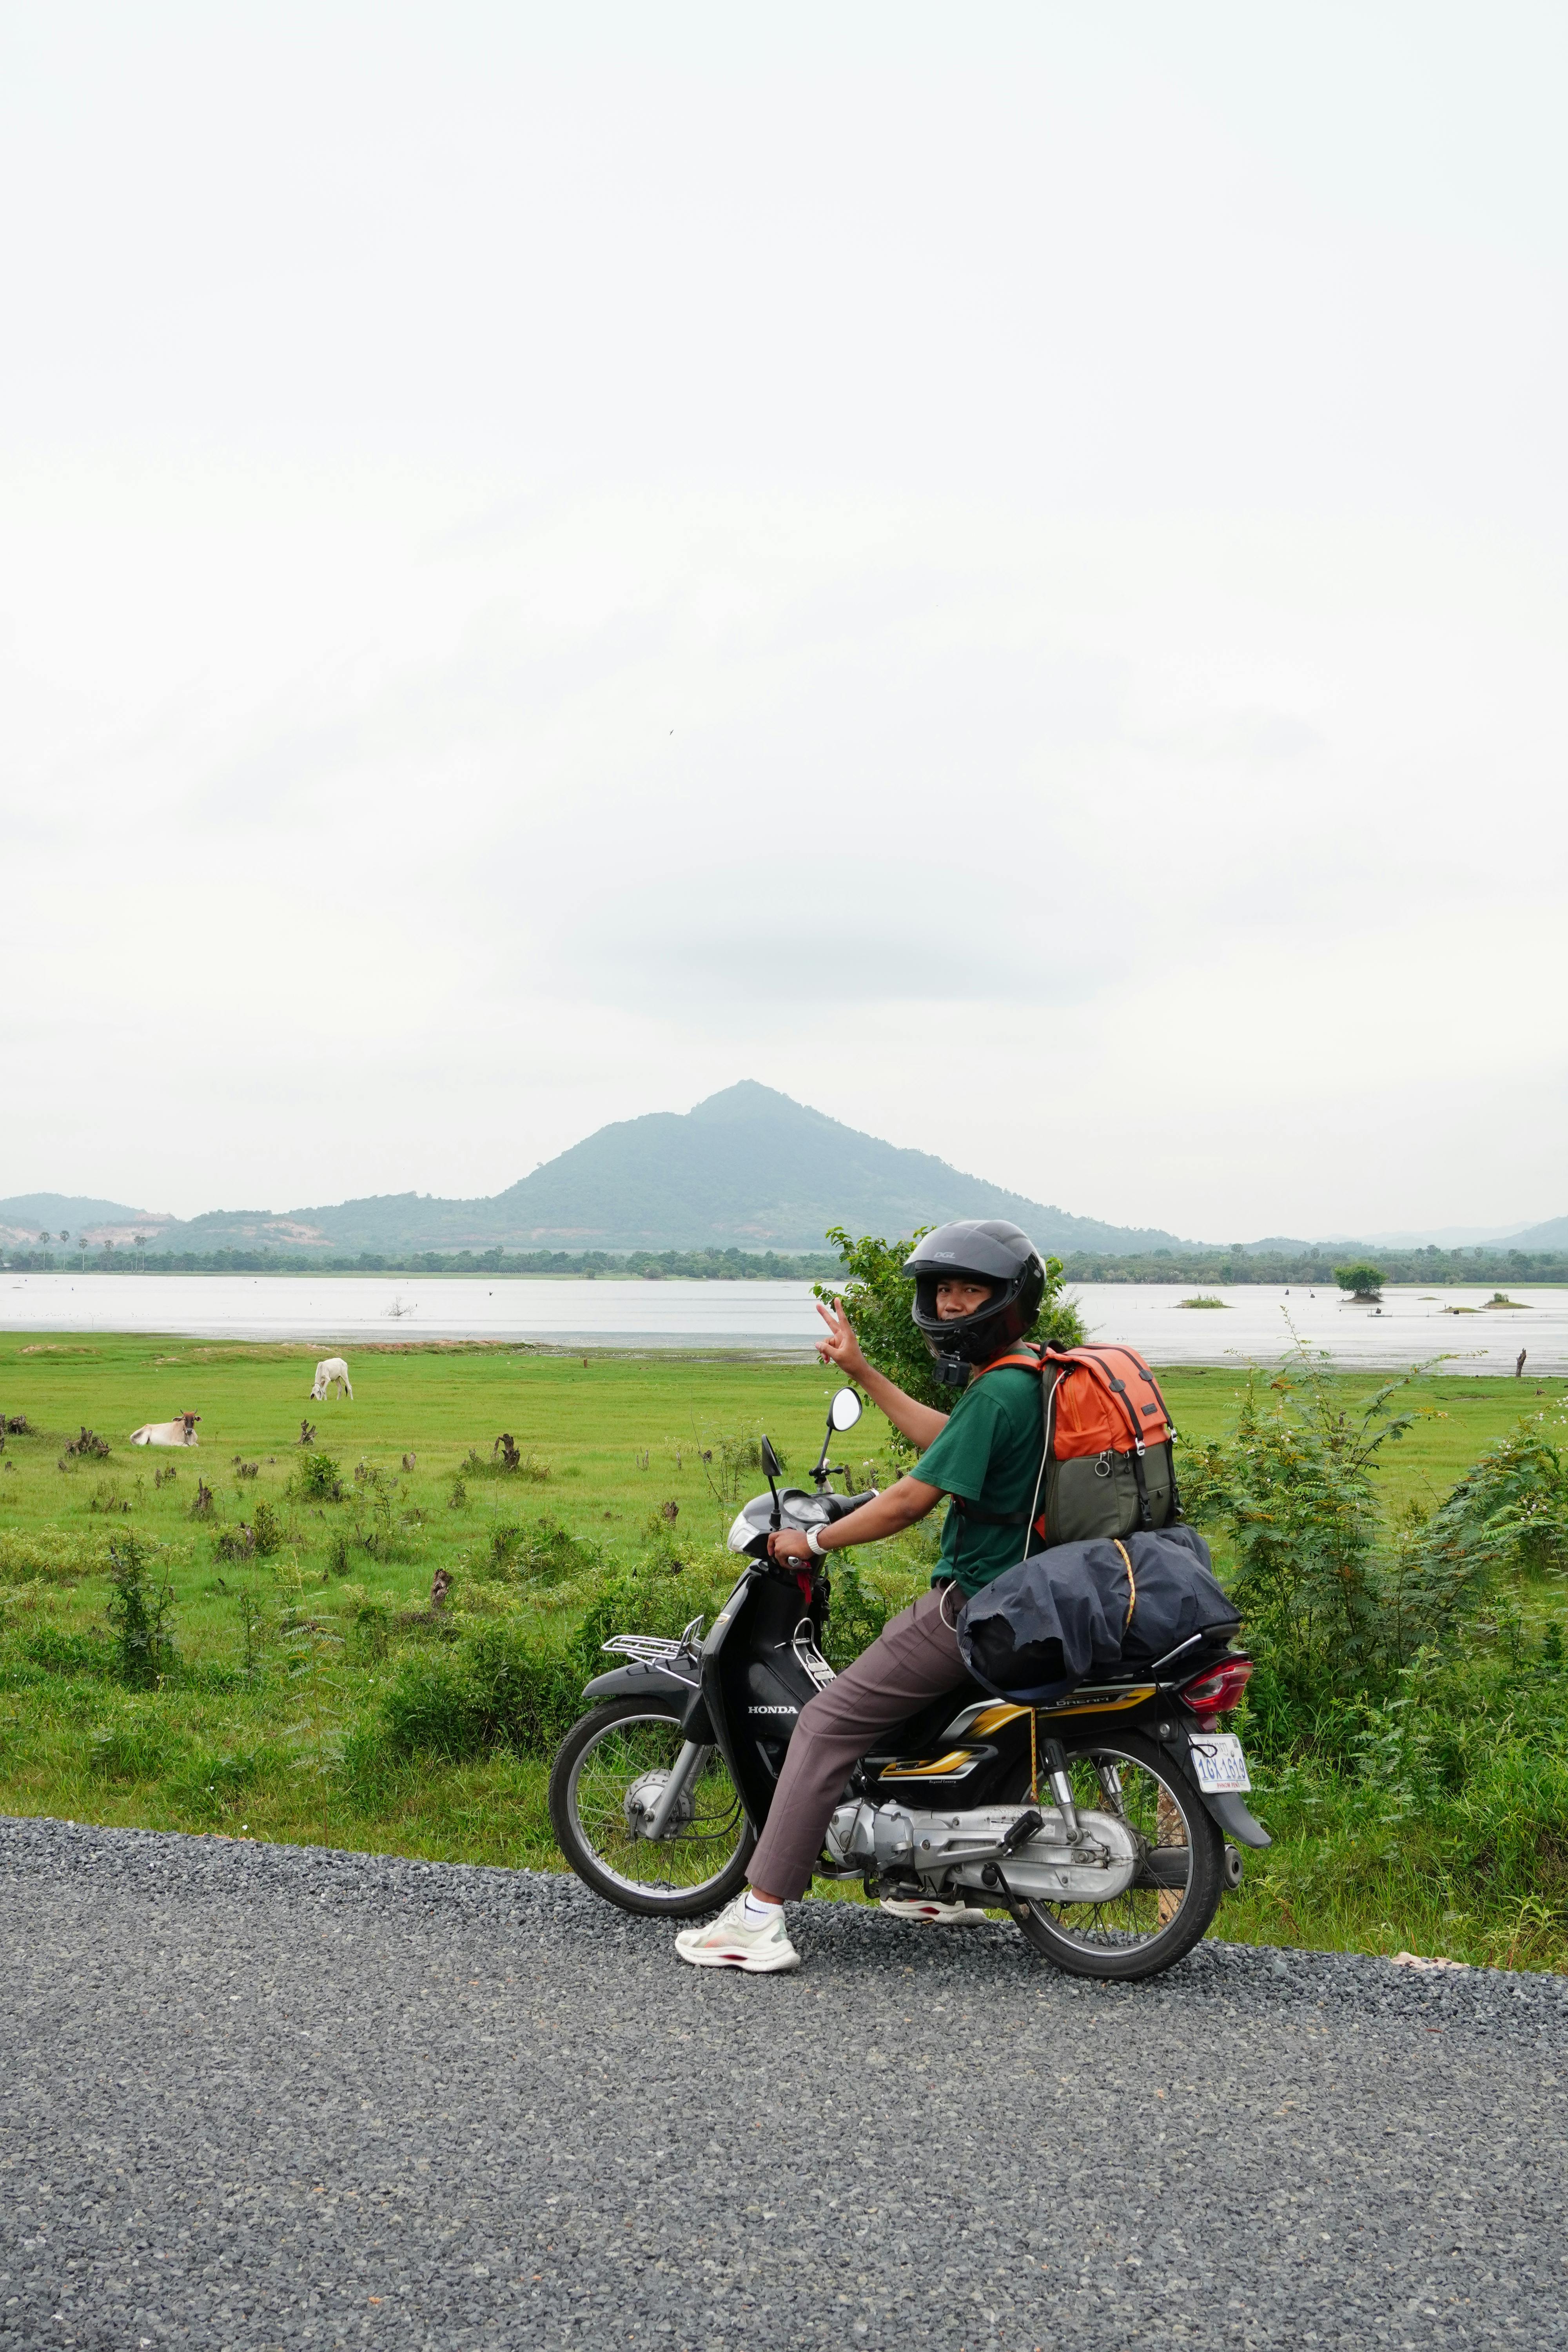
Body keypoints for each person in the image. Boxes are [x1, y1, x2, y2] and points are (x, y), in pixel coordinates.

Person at [675, 1219, 1049, 1974]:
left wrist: (810, 1542)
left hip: (974, 1602)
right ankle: (929, 1881)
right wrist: (863, 1370)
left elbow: (911, 1501)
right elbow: (943, 1437)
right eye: (942, 1289)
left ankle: (760, 1917)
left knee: (826, 1722)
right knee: (920, 1735)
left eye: (967, 1289)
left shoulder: (1002, 1390)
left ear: (1004, 1300)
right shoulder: (1029, 1375)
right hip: (1030, 1595)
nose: (948, 1304)